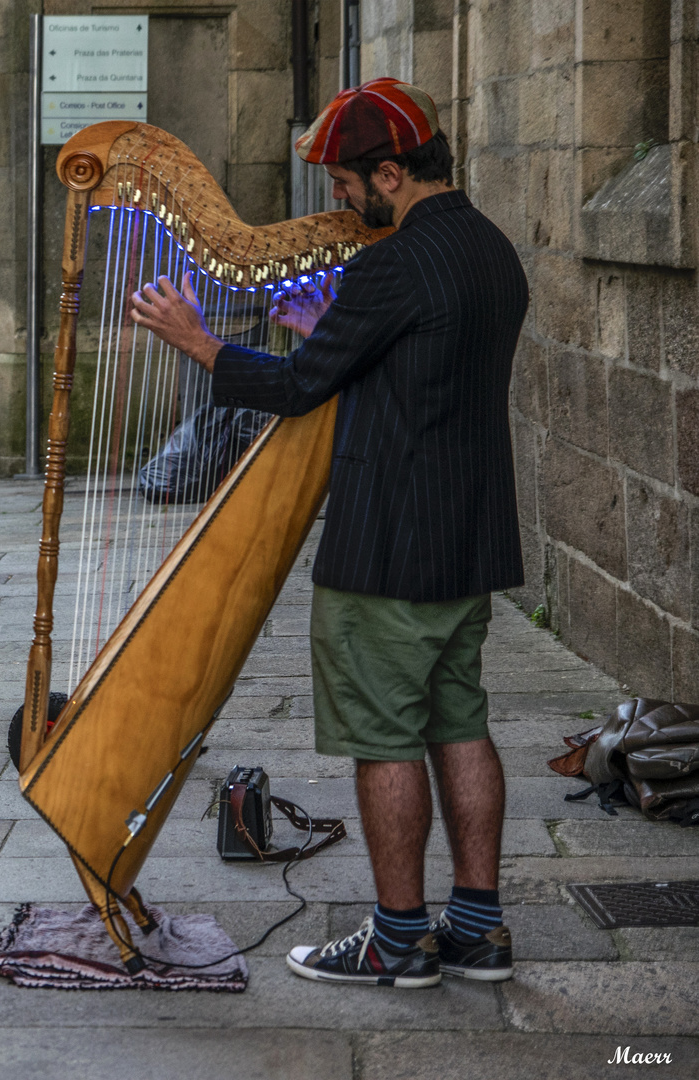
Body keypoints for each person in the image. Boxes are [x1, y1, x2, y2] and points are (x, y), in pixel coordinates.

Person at [129, 78, 528, 988]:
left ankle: (396, 938)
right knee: (460, 723)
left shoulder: (391, 265)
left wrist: (198, 343)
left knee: (384, 738)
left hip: (387, 541)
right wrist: (326, 333)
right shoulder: (489, 249)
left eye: (346, 184)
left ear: (390, 173)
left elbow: (300, 388)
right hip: (466, 535)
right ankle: (477, 928)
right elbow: (420, 369)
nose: (337, 202)